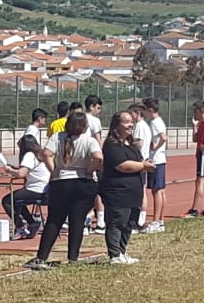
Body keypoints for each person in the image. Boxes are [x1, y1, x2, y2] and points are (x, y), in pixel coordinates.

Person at [25, 110, 102, 270]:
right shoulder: (89, 140)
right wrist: (89, 170)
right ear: (85, 126)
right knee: (77, 221)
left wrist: (54, 170)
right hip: (83, 182)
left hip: (60, 182)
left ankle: (42, 257)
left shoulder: (57, 137)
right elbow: (98, 157)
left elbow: (46, 154)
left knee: (54, 220)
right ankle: (73, 257)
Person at [99, 111, 154, 266]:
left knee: (129, 223)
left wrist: (144, 163)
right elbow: (123, 166)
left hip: (133, 192)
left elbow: (136, 161)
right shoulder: (111, 144)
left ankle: (122, 252)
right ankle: (115, 255)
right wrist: (143, 166)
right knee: (117, 222)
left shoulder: (130, 144)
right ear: (117, 125)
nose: (131, 125)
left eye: (131, 122)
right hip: (117, 192)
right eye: (126, 122)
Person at [1, 134, 49, 239]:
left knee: (7, 201)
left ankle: (20, 226)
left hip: (36, 189)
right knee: (18, 200)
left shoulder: (29, 155)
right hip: (46, 190)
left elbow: (21, 174)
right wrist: (15, 169)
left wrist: (9, 170)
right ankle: (32, 223)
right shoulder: (40, 154)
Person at [138, 98, 168, 234]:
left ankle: (156, 221)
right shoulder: (159, 121)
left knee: (156, 191)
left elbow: (163, 137)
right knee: (160, 190)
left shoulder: (155, 123)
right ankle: (160, 220)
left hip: (156, 160)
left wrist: (155, 147)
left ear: (150, 110)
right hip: (160, 159)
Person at [127, 102, 153, 229]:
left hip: (140, 161)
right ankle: (140, 220)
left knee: (140, 191)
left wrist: (128, 146)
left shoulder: (140, 126)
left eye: (132, 114)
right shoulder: (145, 126)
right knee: (141, 190)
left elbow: (139, 143)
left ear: (137, 114)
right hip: (143, 160)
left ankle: (139, 220)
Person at [84, 95, 105, 232]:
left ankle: (85, 219)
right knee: (96, 191)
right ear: (92, 106)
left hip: (80, 158)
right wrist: (101, 158)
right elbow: (98, 140)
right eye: (98, 108)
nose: (99, 111)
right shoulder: (94, 121)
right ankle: (100, 222)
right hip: (92, 158)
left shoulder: (77, 118)